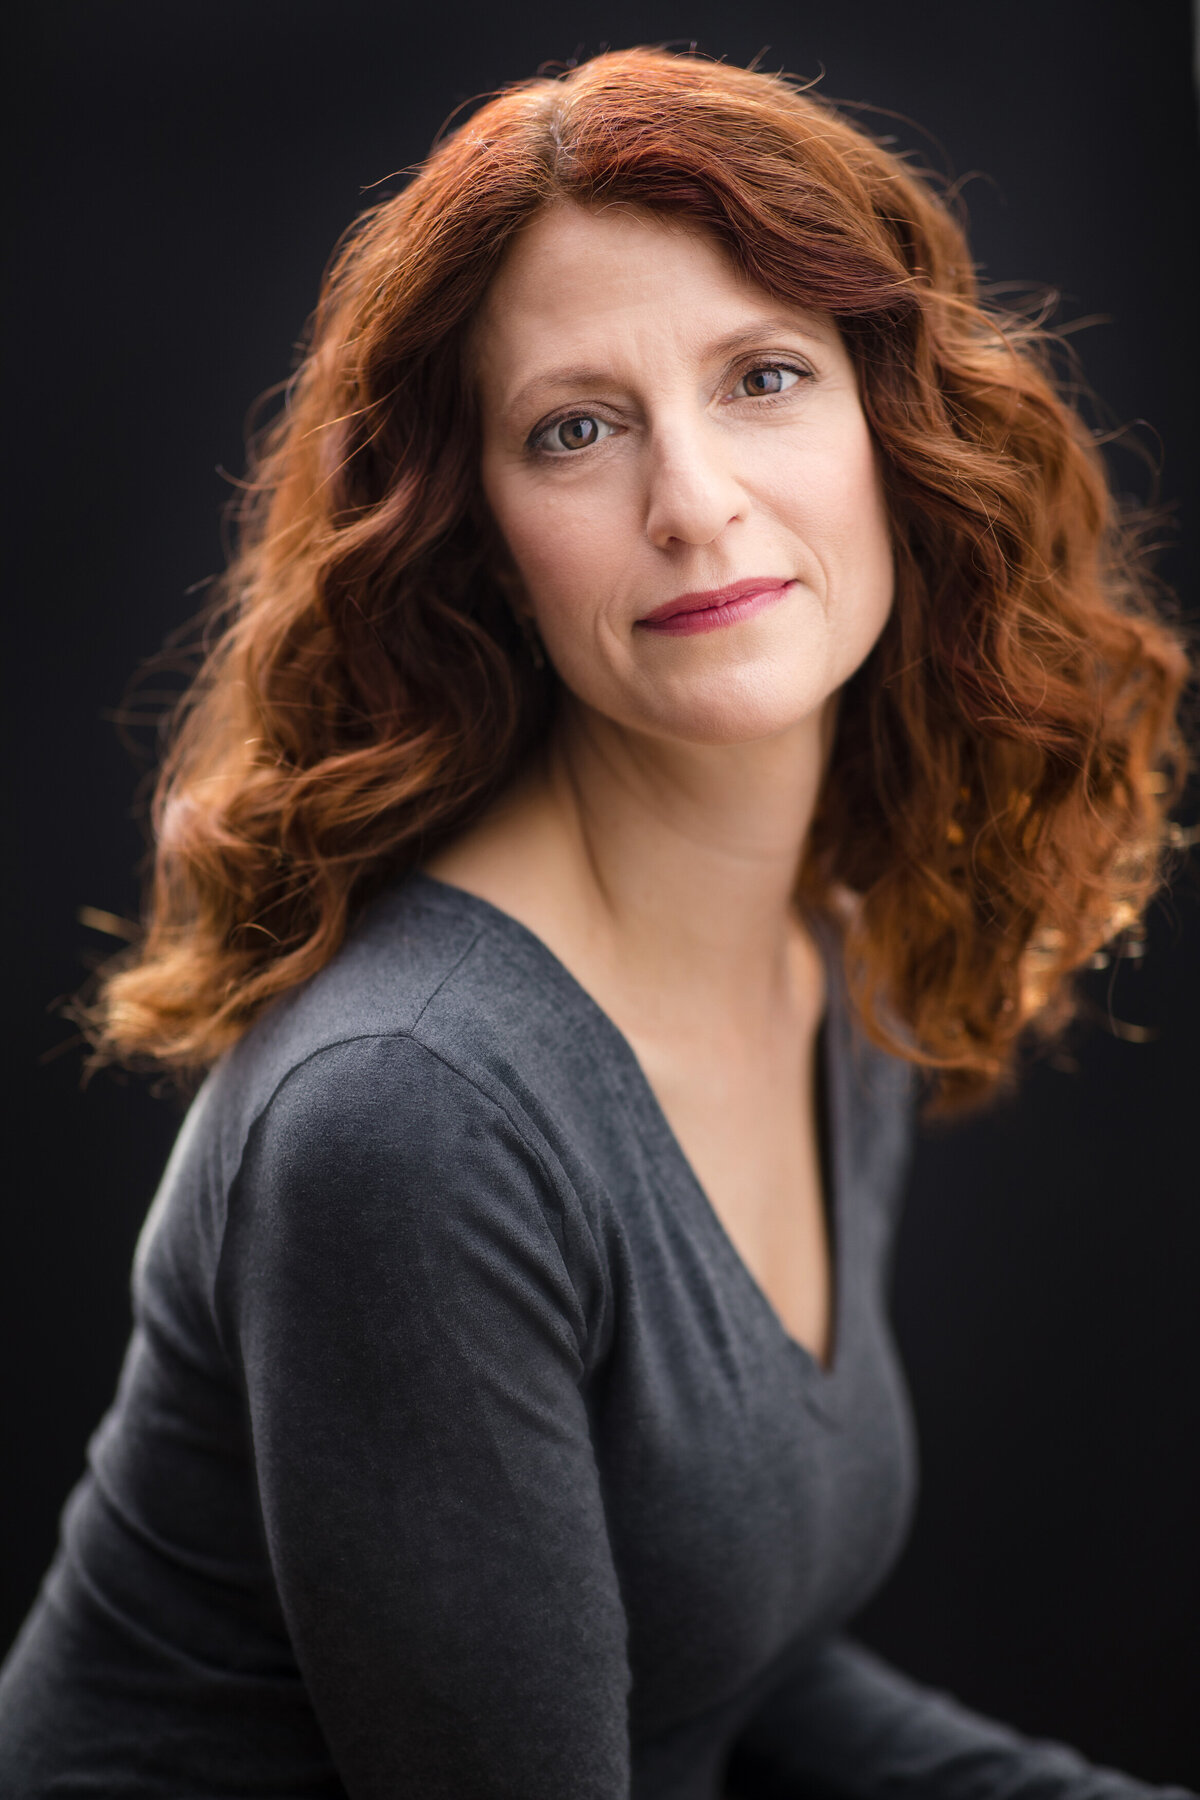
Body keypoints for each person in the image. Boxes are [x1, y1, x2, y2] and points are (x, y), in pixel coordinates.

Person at [0, 44, 1194, 1800]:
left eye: (765, 377)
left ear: (901, 430)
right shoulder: (410, 1116)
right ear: (480, 535)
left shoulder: (823, 937)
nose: (694, 500)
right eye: (576, 427)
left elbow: (725, 1669)